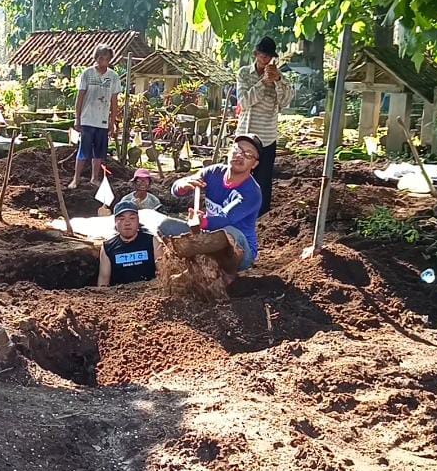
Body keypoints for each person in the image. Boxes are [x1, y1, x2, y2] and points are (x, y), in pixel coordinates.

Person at [158, 134, 264, 279]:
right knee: (167, 226)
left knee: (229, 231)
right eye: (237, 149)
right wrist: (183, 185)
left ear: (254, 164)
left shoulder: (252, 192)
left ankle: (227, 276)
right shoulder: (214, 172)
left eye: (248, 154)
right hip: (208, 239)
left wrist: (203, 222)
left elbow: (225, 219)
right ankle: (194, 265)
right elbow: (177, 190)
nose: (240, 156)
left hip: (239, 251)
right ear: (229, 152)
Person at [236, 36, 293, 216]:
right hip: (246, 134)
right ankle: (237, 212)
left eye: (268, 57)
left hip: (267, 137)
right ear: (256, 54)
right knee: (240, 175)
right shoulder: (244, 73)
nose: (265, 60)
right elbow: (244, 102)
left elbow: (285, 102)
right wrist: (263, 83)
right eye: (262, 56)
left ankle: (262, 218)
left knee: (264, 181)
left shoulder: (280, 77)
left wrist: (277, 81)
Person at [69, 44, 121, 189]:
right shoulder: (87, 74)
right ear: (96, 58)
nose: (102, 61)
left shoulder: (113, 77)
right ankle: (76, 179)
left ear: (110, 60)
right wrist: (77, 118)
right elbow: (80, 97)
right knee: (83, 151)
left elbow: (114, 101)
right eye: (100, 58)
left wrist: (112, 121)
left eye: (106, 58)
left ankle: (94, 178)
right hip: (87, 119)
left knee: (99, 152)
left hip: (102, 120)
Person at [98, 200, 162, 287]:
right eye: (122, 219)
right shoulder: (107, 247)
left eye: (132, 218)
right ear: (115, 222)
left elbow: (163, 273)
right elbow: (103, 281)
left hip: (149, 292)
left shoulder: (152, 241)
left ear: (138, 220)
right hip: (120, 295)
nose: (127, 223)